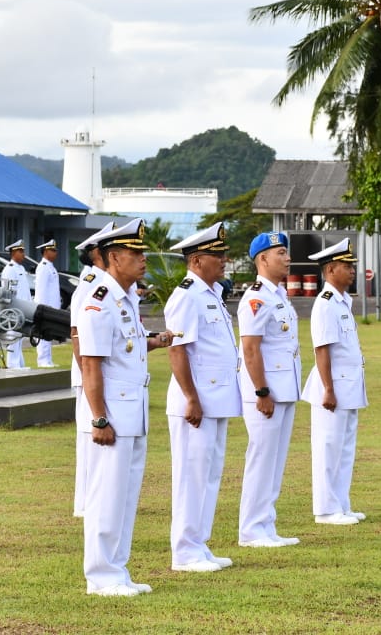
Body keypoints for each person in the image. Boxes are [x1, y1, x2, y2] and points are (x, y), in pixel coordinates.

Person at [77, 218, 174, 597]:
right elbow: (91, 364)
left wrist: (154, 343)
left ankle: (117, 569)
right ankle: (100, 575)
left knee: (126, 495)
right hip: (112, 415)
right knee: (106, 495)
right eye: (135, 253)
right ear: (114, 257)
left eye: (142, 252)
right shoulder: (99, 301)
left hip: (133, 412)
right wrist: (99, 417)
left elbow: (124, 349)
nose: (143, 259)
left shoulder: (125, 298)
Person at [164, 222, 241, 572]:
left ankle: (199, 543)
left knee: (209, 473)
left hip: (216, 398)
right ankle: (184, 551)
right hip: (196, 401)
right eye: (218, 255)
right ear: (197, 260)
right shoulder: (186, 295)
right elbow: (178, 350)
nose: (224, 260)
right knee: (191, 475)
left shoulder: (210, 294)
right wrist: (190, 397)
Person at [237, 231, 301, 548]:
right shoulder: (256, 298)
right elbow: (251, 349)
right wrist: (262, 391)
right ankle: (251, 529)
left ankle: (266, 524)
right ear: (263, 259)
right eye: (281, 253)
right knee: (261, 459)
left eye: (287, 252)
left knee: (275, 460)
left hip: (284, 388)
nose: (287, 258)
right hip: (266, 393)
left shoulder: (278, 296)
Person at [302, 238, 368, 526]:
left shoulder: (343, 301)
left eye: (352, 265)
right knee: (328, 448)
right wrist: (328, 388)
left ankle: (341, 503)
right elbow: (322, 349)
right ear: (330, 270)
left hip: (349, 385)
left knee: (344, 448)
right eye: (346, 266)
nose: (352, 270)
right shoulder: (325, 303)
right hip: (333, 387)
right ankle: (326, 509)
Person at [70, 221, 115, 518]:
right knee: (89, 438)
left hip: (98, 372)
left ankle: (94, 500)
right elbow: (76, 333)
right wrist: (86, 375)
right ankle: (86, 503)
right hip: (89, 372)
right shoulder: (91, 284)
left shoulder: (104, 282)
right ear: (98, 252)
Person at [0, 238, 31, 369]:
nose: (23, 254)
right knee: (12, 336)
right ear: (13, 253)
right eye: (20, 251)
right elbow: (8, 291)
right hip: (13, 308)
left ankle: (19, 363)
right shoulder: (9, 269)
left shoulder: (20, 268)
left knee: (19, 336)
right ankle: (12, 364)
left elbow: (24, 289)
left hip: (23, 308)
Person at [34, 239, 61, 367]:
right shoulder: (43, 267)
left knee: (49, 334)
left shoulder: (50, 266)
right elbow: (41, 290)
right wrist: (41, 308)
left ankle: (48, 360)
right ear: (45, 251)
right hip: (45, 307)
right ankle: (42, 360)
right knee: (43, 334)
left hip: (52, 307)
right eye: (53, 250)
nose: (56, 253)